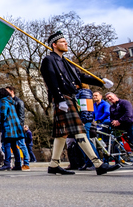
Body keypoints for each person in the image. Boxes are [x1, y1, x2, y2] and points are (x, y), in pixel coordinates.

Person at [40, 31, 119, 175]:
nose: (66, 43)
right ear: (54, 45)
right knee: (79, 130)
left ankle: (53, 165)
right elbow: (50, 80)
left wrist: (101, 81)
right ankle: (98, 164)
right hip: (63, 98)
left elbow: (80, 76)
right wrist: (59, 99)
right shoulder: (48, 60)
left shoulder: (66, 62)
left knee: (62, 134)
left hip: (70, 98)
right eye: (63, 41)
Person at [0, 88, 24, 171]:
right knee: (14, 146)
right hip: (15, 126)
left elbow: (4, 114)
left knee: (7, 145)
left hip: (8, 126)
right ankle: (18, 164)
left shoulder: (3, 101)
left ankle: (7, 164)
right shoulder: (11, 101)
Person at [5, 86, 30, 171]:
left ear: (12, 92)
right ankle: (18, 164)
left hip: (18, 127)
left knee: (22, 145)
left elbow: (21, 115)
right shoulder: (9, 102)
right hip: (12, 127)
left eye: (7, 92)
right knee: (13, 145)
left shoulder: (19, 102)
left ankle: (26, 164)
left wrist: (20, 126)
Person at [75, 84, 98, 170]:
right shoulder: (80, 92)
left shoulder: (84, 92)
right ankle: (89, 162)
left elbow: (85, 107)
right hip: (81, 119)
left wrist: (83, 120)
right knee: (82, 141)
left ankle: (93, 162)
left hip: (84, 120)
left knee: (85, 141)